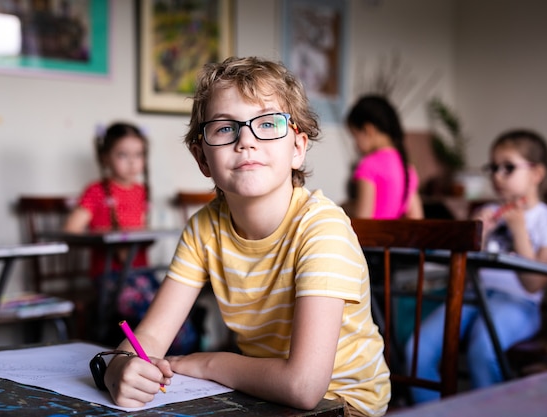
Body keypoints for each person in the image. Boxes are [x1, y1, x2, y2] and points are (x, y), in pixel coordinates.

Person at [103, 57, 391, 417]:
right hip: (263, 399)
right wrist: (118, 367)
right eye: (224, 128)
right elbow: (150, 338)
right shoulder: (203, 228)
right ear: (202, 158)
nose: (246, 140)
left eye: (268, 123)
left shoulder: (323, 229)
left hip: (345, 407)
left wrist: (208, 364)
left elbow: (303, 387)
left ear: (298, 149)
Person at [406, 129, 547, 403]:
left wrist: (519, 231)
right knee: (417, 349)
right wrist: (477, 234)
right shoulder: (487, 213)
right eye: (493, 167)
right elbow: (459, 268)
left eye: (508, 167)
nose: (497, 175)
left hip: (519, 303)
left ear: (537, 174)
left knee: (482, 350)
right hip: (473, 298)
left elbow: (533, 284)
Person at [64, 122, 198, 353]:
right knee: (151, 315)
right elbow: (70, 230)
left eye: (138, 154)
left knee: (172, 311)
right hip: (110, 277)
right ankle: (143, 359)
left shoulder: (140, 191)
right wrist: (109, 237)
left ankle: (174, 362)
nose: (132, 161)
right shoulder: (96, 191)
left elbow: (142, 231)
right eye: (123, 155)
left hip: (141, 272)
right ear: (105, 158)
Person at [343, 94, 423, 219]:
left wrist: (344, 208)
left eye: (355, 135)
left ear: (368, 130)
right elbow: (416, 217)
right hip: (395, 238)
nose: (355, 144)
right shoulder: (407, 167)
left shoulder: (369, 165)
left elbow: (363, 219)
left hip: (369, 238)